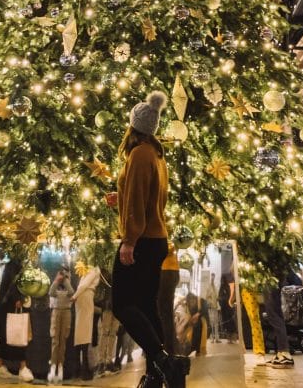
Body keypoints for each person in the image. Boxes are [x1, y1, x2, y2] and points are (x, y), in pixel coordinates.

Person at [111, 91, 190, 388]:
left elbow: (136, 201)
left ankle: (165, 362)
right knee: (145, 306)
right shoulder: (155, 155)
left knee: (122, 304)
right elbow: (147, 198)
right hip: (155, 237)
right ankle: (158, 375)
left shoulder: (139, 153)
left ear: (134, 125)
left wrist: (129, 240)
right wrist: (120, 200)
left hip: (142, 239)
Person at [0, 258, 34, 382]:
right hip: (13, 307)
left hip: (6, 309)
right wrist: (18, 299)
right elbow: (14, 284)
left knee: (7, 337)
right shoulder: (15, 266)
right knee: (19, 336)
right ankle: (23, 368)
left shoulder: (10, 265)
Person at [72, 263, 100, 380]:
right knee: (85, 332)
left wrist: (75, 296)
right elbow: (84, 285)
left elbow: (82, 284)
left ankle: (80, 368)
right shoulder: (93, 268)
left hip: (83, 297)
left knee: (81, 332)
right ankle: (84, 369)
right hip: (86, 296)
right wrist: (74, 296)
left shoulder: (87, 267)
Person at [47, 264, 74, 383]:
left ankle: (60, 366)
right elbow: (51, 292)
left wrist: (66, 280)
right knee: (55, 340)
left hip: (67, 312)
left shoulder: (69, 282)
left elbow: (72, 292)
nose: (63, 275)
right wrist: (57, 280)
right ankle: (53, 366)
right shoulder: (56, 282)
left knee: (63, 340)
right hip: (56, 311)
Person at [157, 242, 180, 354]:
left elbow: (168, 246)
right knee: (165, 312)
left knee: (164, 312)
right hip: (169, 270)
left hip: (166, 270)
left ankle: (168, 349)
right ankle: (169, 347)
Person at [206, 273, 221, 343]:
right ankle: (212, 338)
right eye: (212, 277)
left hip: (215, 307)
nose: (213, 279)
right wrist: (210, 303)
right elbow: (207, 297)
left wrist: (217, 299)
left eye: (213, 277)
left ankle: (217, 338)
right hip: (211, 307)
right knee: (212, 322)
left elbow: (216, 296)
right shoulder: (209, 287)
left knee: (216, 322)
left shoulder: (215, 287)